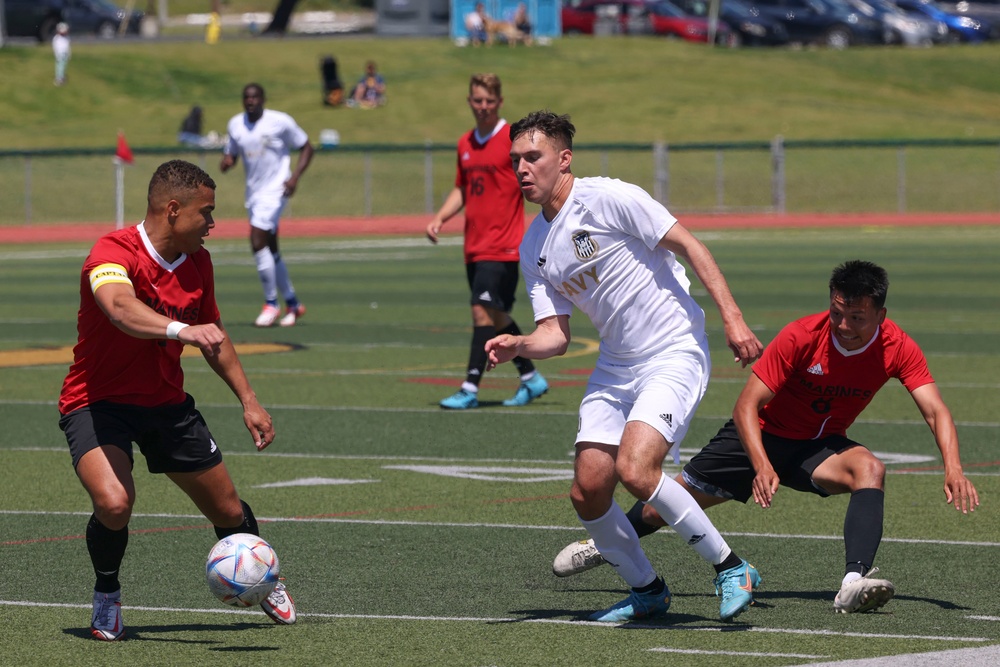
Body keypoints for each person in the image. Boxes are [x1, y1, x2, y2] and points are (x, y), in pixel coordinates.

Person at [552, 259, 981, 614]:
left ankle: (853, 582)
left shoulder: (898, 346)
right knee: (656, 511)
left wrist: (954, 467)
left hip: (818, 445)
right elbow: (745, 407)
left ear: (880, 316)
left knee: (870, 469)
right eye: (837, 312)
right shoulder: (801, 336)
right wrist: (760, 464)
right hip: (754, 438)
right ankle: (604, 544)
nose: (844, 325)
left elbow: (935, 409)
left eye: (857, 317)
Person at [486, 111, 764, 622]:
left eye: (533, 157)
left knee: (637, 470)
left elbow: (690, 245)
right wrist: (520, 345)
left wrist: (734, 318)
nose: (522, 169)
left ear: (563, 159)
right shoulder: (533, 247)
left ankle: (731, 567)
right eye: (516, 161)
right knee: (588, 490)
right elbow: (557, 336)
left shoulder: (608, 196)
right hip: (615, 368)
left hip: (672, 351)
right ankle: (648, 591)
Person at [58, 160, 297, 642]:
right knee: (114, 502)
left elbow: (215, 335)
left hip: (166, 404)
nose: (213, 224)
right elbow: (119, 309)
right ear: (173, 210)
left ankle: (261, 575)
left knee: (228, 512)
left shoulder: (198, 263)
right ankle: (107, 594)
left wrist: (249, 400)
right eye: (206, 213)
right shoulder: (113, 251)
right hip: (97, 402)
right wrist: (179, 329)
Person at [426, 74, 548, 411]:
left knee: (483, 312)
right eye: (477, 100)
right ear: (469, 101)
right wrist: (441, 217)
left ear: (499, 102)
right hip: (474, 247)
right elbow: (462, 188)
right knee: (495, 315)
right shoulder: (465, 143)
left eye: (489, 101)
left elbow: (536, 179)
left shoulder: (513, 142)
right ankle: (530, 378)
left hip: (505, 245)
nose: (483, 107)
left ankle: (469, 387)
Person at [221, 83, 314, 328]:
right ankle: (293, 304)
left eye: (254, 97)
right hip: (254, 193)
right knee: (271, 248)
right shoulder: (235, 124)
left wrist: (294, 178)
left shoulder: (280, 121)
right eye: (246, 97)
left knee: (257, 239)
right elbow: (232, 151)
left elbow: (307, 146)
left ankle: (271, 304)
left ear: (263, 99)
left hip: (276, 190)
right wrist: (228, 161)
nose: (250, 101)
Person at [52, 22, 70, 86]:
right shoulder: (56, 38)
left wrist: (69, 54)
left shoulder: (67, 38)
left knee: (63, 66)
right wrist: (57, 54)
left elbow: (67, 47)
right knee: (60, 66)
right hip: (60, 54)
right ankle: (58, 79)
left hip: (65, 54)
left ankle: (61, 77)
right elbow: (55, 47)